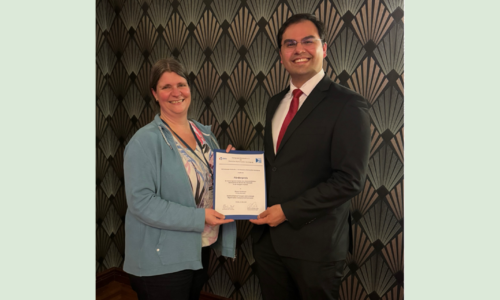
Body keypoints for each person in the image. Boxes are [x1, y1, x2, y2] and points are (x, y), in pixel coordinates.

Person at [249, 14, 371, 300]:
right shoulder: (274, 103)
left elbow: (349, 180)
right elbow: (278, 165)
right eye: (289, 44)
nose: (298, 49)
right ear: (281, 55)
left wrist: (287, 211)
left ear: (324, 49)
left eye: (307, 41)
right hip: (268, 243)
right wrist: (237, 166)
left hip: (316, 248)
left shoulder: (349, 104)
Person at [123, 57, 236, 300]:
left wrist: (230, 166)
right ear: (155, 94)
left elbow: (206, 183)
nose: (176, 93)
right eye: (166, 87)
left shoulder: (204, 134)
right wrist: (199, 217)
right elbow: (141, 203)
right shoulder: (144, 142)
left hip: (198, 247)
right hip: (161, 257)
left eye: (181, 84)